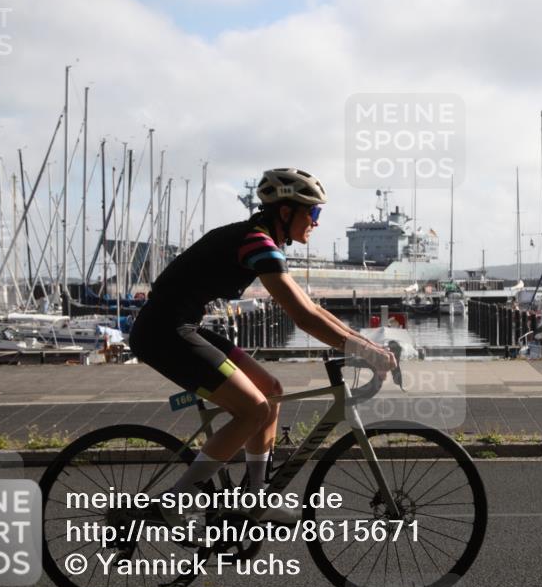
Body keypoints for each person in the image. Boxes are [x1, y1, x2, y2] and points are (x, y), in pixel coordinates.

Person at [128, 168, 397, 524]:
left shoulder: (259, 240)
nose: (316, 222)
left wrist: (367, 344)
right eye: (313, 213)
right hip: (163, 333)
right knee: (253, 410)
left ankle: (255, 499)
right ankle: (174, 503)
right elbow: (303, 318)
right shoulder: (256, 242)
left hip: (182, 325)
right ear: (285, 213)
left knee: (270, 390)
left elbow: (314, 308)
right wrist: (365, 353)